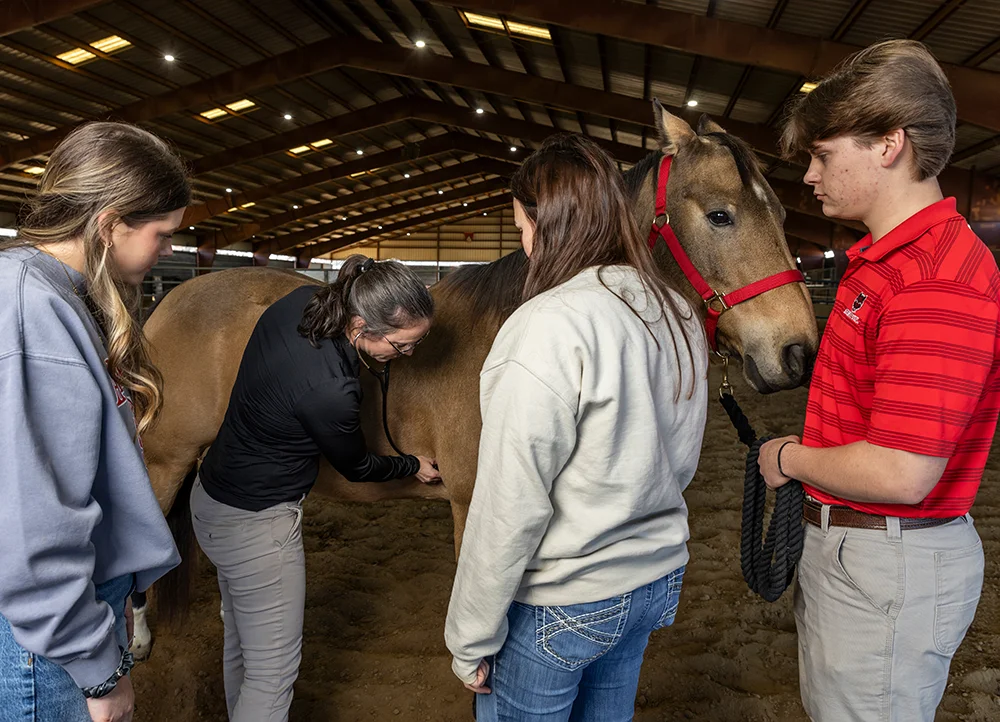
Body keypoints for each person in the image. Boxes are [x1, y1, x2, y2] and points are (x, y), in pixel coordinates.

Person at [760, 39, 1000, 721]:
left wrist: (787, 458)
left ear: (889, 144)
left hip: (885, 555)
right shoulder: (884, 262)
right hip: (859, 550)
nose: (811, 175)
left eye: (824, 154)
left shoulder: (936, 279)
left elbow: (903, 473)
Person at [444, 133, 709, 721]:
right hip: (653, 579)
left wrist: (470, 638)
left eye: (523, 228)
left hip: (567, 599)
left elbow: (510, 505)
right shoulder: (677, 311)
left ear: (550, 223)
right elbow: (679, 459)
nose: (526, 245)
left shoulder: (547, 324)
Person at [190, 254, 442, 721]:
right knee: (273, 676)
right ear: (362, 324)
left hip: (211, 497)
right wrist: (411, 465)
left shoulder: (302, 301)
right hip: (258, 526)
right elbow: (356, 465)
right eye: (402, 345)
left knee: (242, 647)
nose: (406, 355)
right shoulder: (331, 390)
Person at [0, 122, 189, 722]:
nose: (166, 251)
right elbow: (31, 523)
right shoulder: (31, 311)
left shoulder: (54, 295)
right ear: (110, 224)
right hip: (46, 639)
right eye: (161, 234)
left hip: (61, 618)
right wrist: (97, 668)